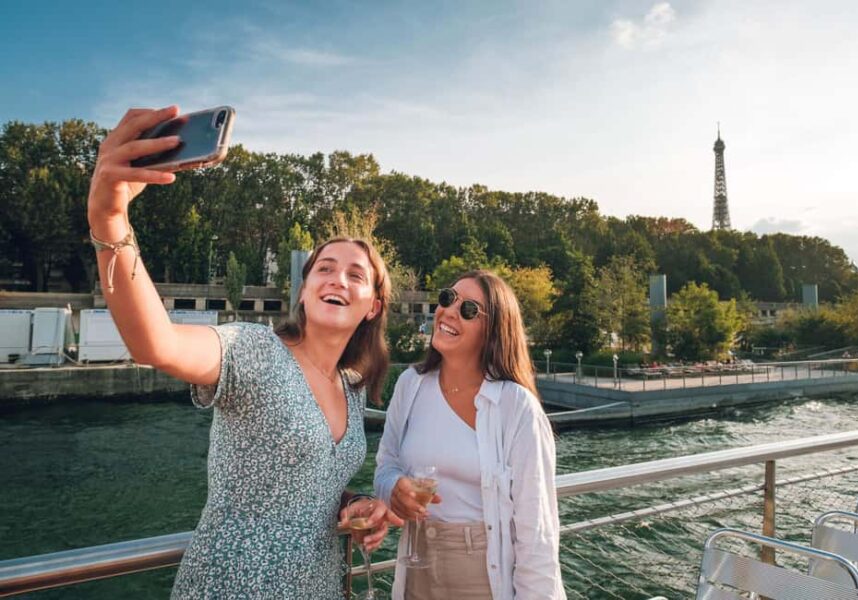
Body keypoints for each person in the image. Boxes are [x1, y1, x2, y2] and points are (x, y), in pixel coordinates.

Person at [87, 106, 401, 599]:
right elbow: (156, 342)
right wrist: (109, 217)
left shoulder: (352, 386)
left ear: (371, 307)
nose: (337, 278)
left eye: (355, 274)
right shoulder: (253, 350)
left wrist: (354, 502)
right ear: (303, 291)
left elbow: (305, 485)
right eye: (324, 269)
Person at [375, 270, 566, 599]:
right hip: (415, 565)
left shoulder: (516, 407)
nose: (448, 311)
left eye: (468, 310)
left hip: (484, 573)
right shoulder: (410, 385)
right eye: (448, 298)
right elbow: (385, 464)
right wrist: (394, 487)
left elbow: (537, 535)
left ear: (493, 331)